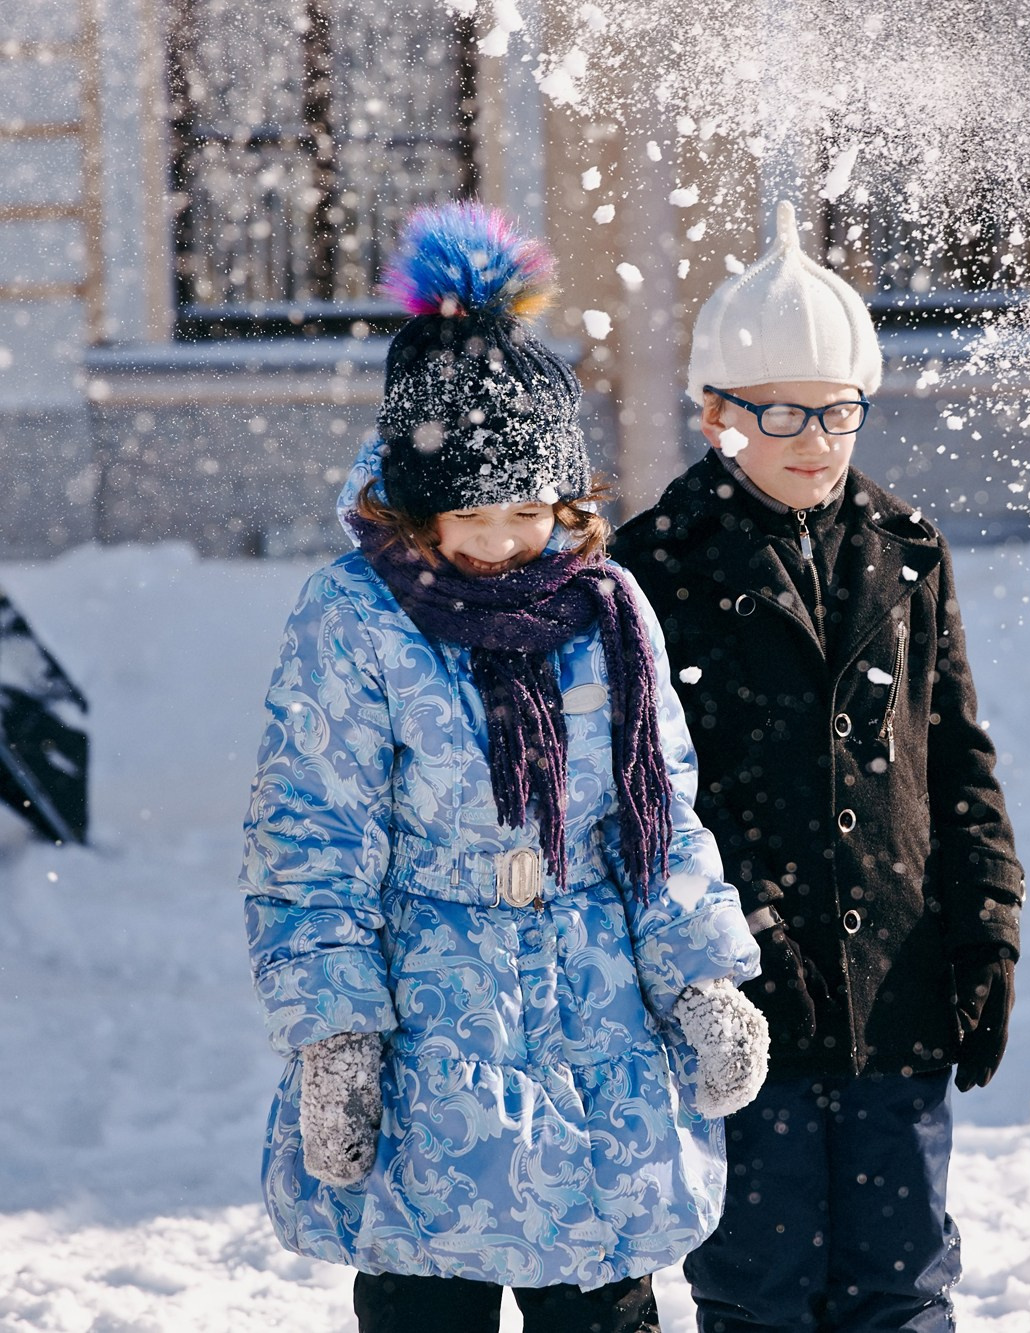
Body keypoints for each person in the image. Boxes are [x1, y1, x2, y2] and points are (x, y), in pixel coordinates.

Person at [240, 202, 768, 1333]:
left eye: (527, 510)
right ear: (418, 508)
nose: (499, 542)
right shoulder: (357, 619)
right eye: (469, 513)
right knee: (430, 1297)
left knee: (603, 1300)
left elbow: (657, 814)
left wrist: (698, 975)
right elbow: (311, 838)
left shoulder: (606, 613)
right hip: (433, 1041)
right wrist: (335, 1033)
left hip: (596, 1039)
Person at [611, 200, 1023, 1333]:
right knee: (759, 1288)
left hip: (896, 990)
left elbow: (954, 755)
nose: (813, 436)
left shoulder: (905, 551)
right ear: (713, 414)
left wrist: (985, 925)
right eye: (778, 409)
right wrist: (736, 936)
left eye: (836, 409)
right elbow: (651, 798)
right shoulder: (655, 567)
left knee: (901, 1287)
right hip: (745, 998)